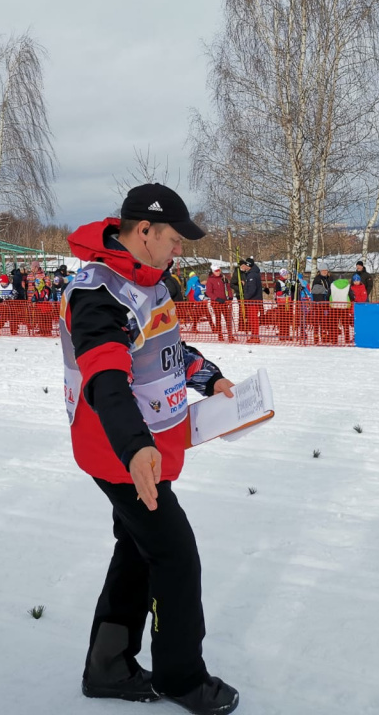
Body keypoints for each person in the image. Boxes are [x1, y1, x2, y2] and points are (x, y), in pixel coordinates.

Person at [60, 183, 239, 713]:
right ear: (144, 231)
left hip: (147, 448)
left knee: (138, 551)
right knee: (175, 557)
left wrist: (208, 376)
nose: (181, 248)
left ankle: (108, 665)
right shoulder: (99, 292)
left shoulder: (148, 281)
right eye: (175, 238)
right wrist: (136, 450)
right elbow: (107, 380)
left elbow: (162, 347)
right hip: (122, 454)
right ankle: (182, 678)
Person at [204, 263, 234, 342]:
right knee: (218, 319)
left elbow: (228, 288)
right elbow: (209, 292)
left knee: (228, 319)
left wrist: (230, 296)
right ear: (213, 271)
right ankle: (220, 335)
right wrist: (216, 299)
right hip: (216, 303)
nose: (218, 272)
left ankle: (230, 335)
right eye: (216, 271)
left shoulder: (223, 278)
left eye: (219, 270)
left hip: (224, 302)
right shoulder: (210, 280)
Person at [238, 257, 263, 343]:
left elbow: (252, 289)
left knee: (253, 319)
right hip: (253, 300)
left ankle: (255, 336)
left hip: (253, 300)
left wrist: (246, 297)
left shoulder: (252, 275)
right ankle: (254, 335)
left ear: (248, 265)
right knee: (252, 319)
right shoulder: (252, 274)